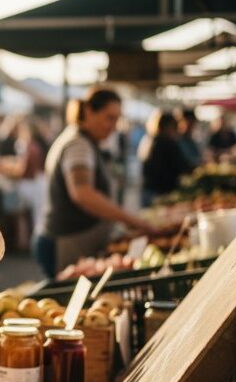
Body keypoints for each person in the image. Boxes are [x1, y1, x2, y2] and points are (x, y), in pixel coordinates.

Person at [33, 88, 155, 278]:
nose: (114, 126)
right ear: (89, 112)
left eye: (117, 119)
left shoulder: (83, 141)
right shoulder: (78, 145)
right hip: (68, 242)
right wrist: (130, 220)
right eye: (109, 118)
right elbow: (82, 193)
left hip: (71, 239)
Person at [140, 111, 194, 206]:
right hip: (161, 192)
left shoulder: (150, 139)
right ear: (169, 126)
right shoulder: (168, 143)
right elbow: (182, 166)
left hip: (148, 190)